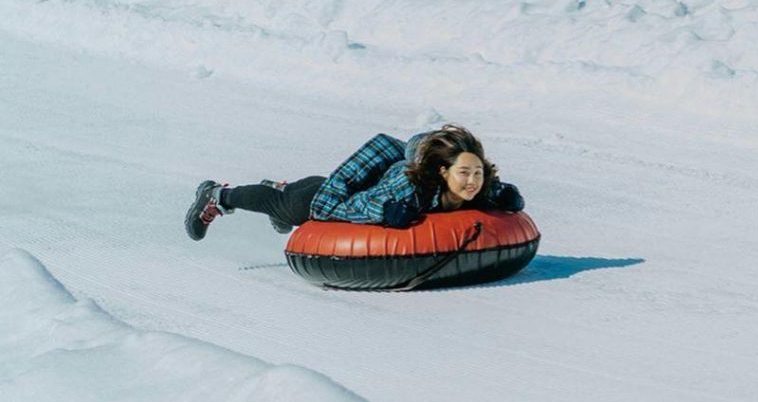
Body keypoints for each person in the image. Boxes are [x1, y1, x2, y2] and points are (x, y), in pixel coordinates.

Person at [185, 124, 525, 241]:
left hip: (352, 183)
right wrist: (385, 212)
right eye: (464, 174)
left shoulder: (479, 182)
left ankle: (278, 187)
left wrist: (507, 196)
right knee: (292, 206)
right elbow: (352, 206)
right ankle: (217, 195)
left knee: (299, 191)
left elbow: (496, 191)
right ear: (442, 174)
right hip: (330, 198)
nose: (472, 182)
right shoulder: (406, 187)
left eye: (477, 173)